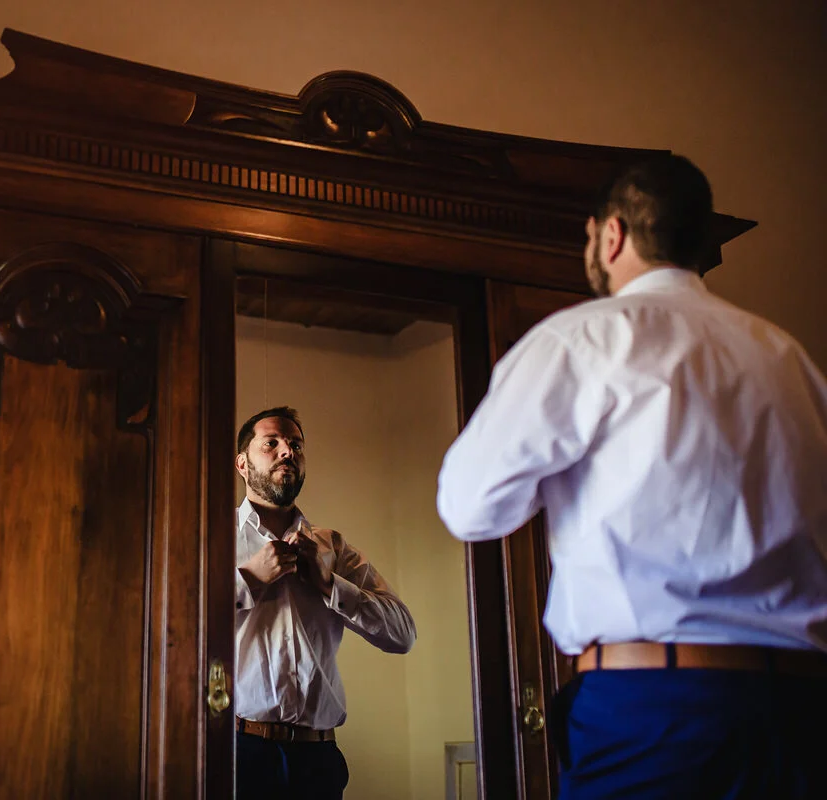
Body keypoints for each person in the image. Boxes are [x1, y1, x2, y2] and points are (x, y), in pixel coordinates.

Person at [436, 153, 827, 798]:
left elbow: (471, 506)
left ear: (611, 234)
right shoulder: (786, 356)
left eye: (591, 236)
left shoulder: (581, 341)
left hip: (653, 710)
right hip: (801, 709)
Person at [233, 406, 416, 800]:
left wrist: (331, 584)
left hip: (318, 760)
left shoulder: (331, 547)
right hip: (239, 753)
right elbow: (178, 628)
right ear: (243, 464)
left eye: (296, 445)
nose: (288, 452)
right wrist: (248, 579)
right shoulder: (216, 538)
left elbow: (403, 633)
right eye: (272, 443)